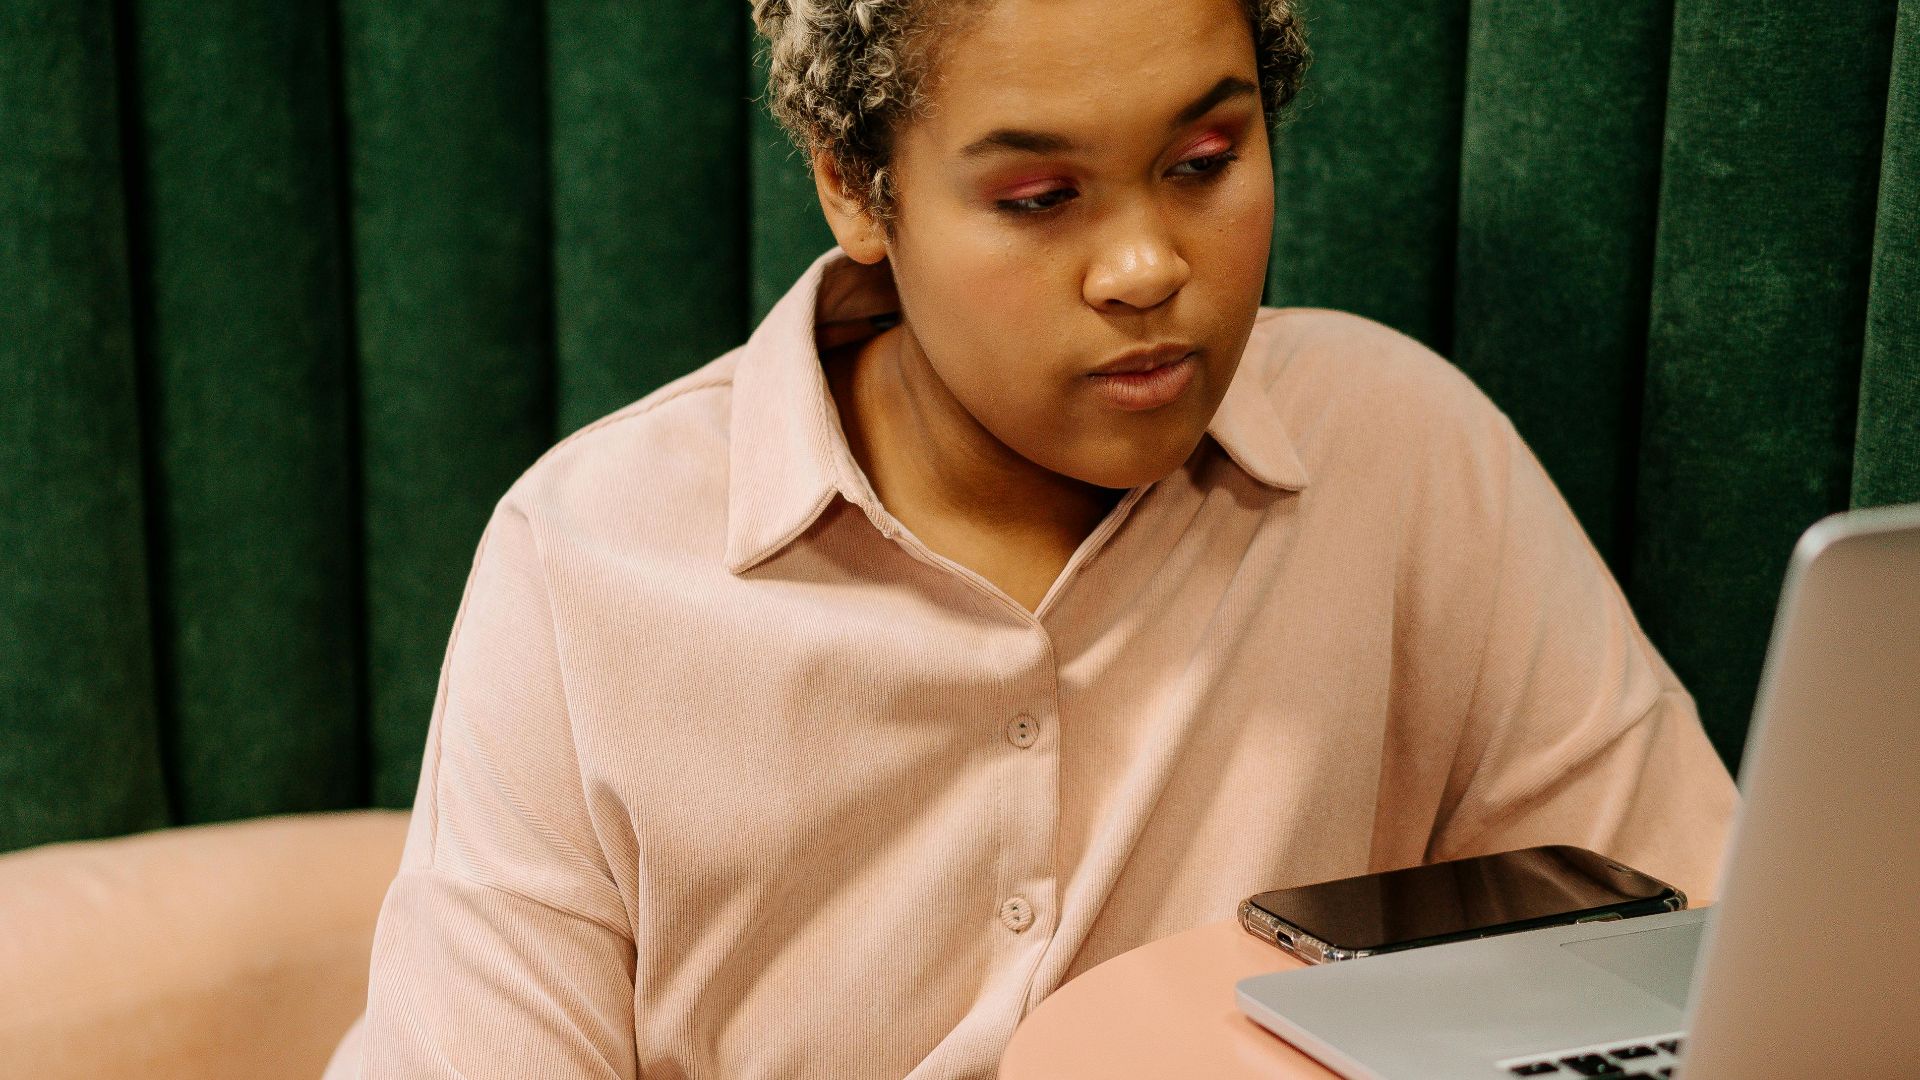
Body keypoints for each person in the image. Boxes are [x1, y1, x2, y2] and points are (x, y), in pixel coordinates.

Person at [336, 0, 1737, 1076]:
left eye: (1206, 161)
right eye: (1038, 199)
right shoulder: (586, 561)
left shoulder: (1403, 452)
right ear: (854, 186)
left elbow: (1714, 956)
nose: (1146, 269)